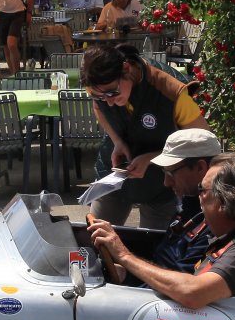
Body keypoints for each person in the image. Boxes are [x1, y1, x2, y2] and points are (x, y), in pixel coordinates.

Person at [89, 153, 235, 308]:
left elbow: (192, 292)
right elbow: (183, 279)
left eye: (202, 190)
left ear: (225, 200)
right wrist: (126, 275)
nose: (197, 197)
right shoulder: (232, 236)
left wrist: (124, 255)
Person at [80, 43, 210, 229]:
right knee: (96, 236)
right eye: (100, 96)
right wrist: (117, 141)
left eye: (112, 93)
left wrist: (151, 158)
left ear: (127, 68)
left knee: (153, 244)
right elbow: (98, 108)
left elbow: (202, 141)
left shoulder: (171, 91)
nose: (109, 102)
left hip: (162, 183)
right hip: (114, 176)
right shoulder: (98, 87)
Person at [98, 128, 224, 283]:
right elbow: (164, 260)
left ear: (200, 168)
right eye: (164, 173)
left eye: (171, 173)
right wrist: (124, 272)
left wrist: (123, 255)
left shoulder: (218, 221)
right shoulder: (188, 203)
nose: (166, 182)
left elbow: (181, 285)